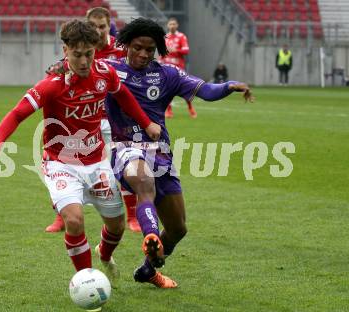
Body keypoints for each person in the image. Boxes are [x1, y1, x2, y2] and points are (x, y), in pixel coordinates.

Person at [0, 20, 161, 283]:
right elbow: (17, 114)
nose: (85, 61)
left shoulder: (104, 73)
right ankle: (87, 281)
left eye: (90, 53)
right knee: (74, 221)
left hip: (97, 162)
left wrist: (146, 123)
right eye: (78, 55)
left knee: (117, 226)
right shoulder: (51, 85)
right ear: (65, 50)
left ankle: (105, 255)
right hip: (60, 164)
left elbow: (123, 96)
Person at [105, 18, 254, 288]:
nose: (142, 54)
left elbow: (205, 91)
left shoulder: (168, 74)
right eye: (137, 47)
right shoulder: (109, 70)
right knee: (144, 182)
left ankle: (148, 270)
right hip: (124, 147)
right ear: (126, 44)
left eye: (149, 49)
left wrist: (229, 85)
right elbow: (76, 72)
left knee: (177, 229)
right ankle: (150, 236)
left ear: (157, 49)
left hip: (160, 153)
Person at [45, 7, 142, 234]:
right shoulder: (83, 47)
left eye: (102, 26)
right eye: (95, 27)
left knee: (121, 165)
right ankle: (62, 216)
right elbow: (61, 68)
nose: (98, 31)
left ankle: (131, 216)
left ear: (109, 26)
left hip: (113, 117)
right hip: (84, 118)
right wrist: (56, 69)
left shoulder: (120, 48)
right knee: (62, 161)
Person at [158, 17, 197, 119]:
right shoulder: (165, 37)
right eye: (170, 24)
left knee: (184, 89)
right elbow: (162, 52)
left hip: (179, 67)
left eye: (174, 24)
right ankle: (169, 110)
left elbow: (186, 50)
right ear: (167, 25)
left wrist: (175, 50)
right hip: (167, 67)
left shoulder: (181, 36)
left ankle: (190, 107)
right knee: (167, 89)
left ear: (177, 25)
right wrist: (159, 61)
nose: (172, 26)